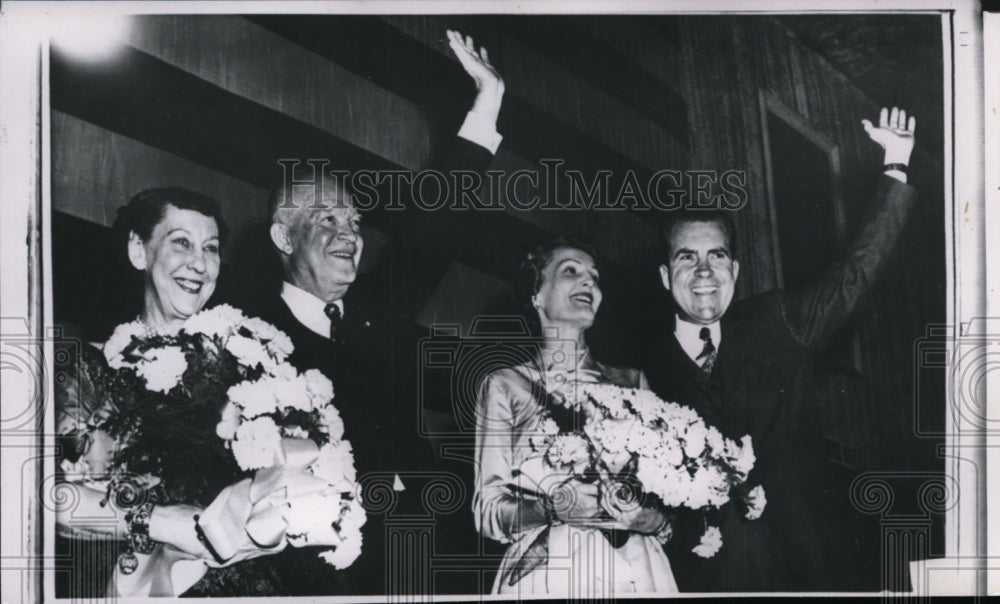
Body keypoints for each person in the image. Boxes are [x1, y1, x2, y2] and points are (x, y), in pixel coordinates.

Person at [243, 30, 506, 595]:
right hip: (332, 576)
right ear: (282, 238)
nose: (349, 234)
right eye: (327, 219)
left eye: (355, 223)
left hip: (439, 556)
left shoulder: (374, 316)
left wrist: (488, 101)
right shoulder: (250, 338)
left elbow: (431, 231)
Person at [643, 107, 919, 591]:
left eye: (718, 256)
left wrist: (896, 163)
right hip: (696, 578)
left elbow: (852, 278)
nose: (704, 271)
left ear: (736, 271)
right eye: (687, 258)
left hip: (802, 567)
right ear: (666, 277)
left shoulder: (777, 322)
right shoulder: (641, 370)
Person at [55, 187, 286, 598]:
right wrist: (161, 521)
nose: (199, 263)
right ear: (139, 251)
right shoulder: (91, 369)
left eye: (211, 248)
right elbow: (58, 502)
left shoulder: (249, 372)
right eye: (181, 242)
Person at [473, 237, 680, 597]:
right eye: (571, 271)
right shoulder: (505, 385)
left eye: (595, 277)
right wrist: (550, 507)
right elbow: (488, 511)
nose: (589, 282)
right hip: (548, 568)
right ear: (536, 293)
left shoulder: (633, 381)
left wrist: (657, 519)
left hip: (634, 564)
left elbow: (666, 489)